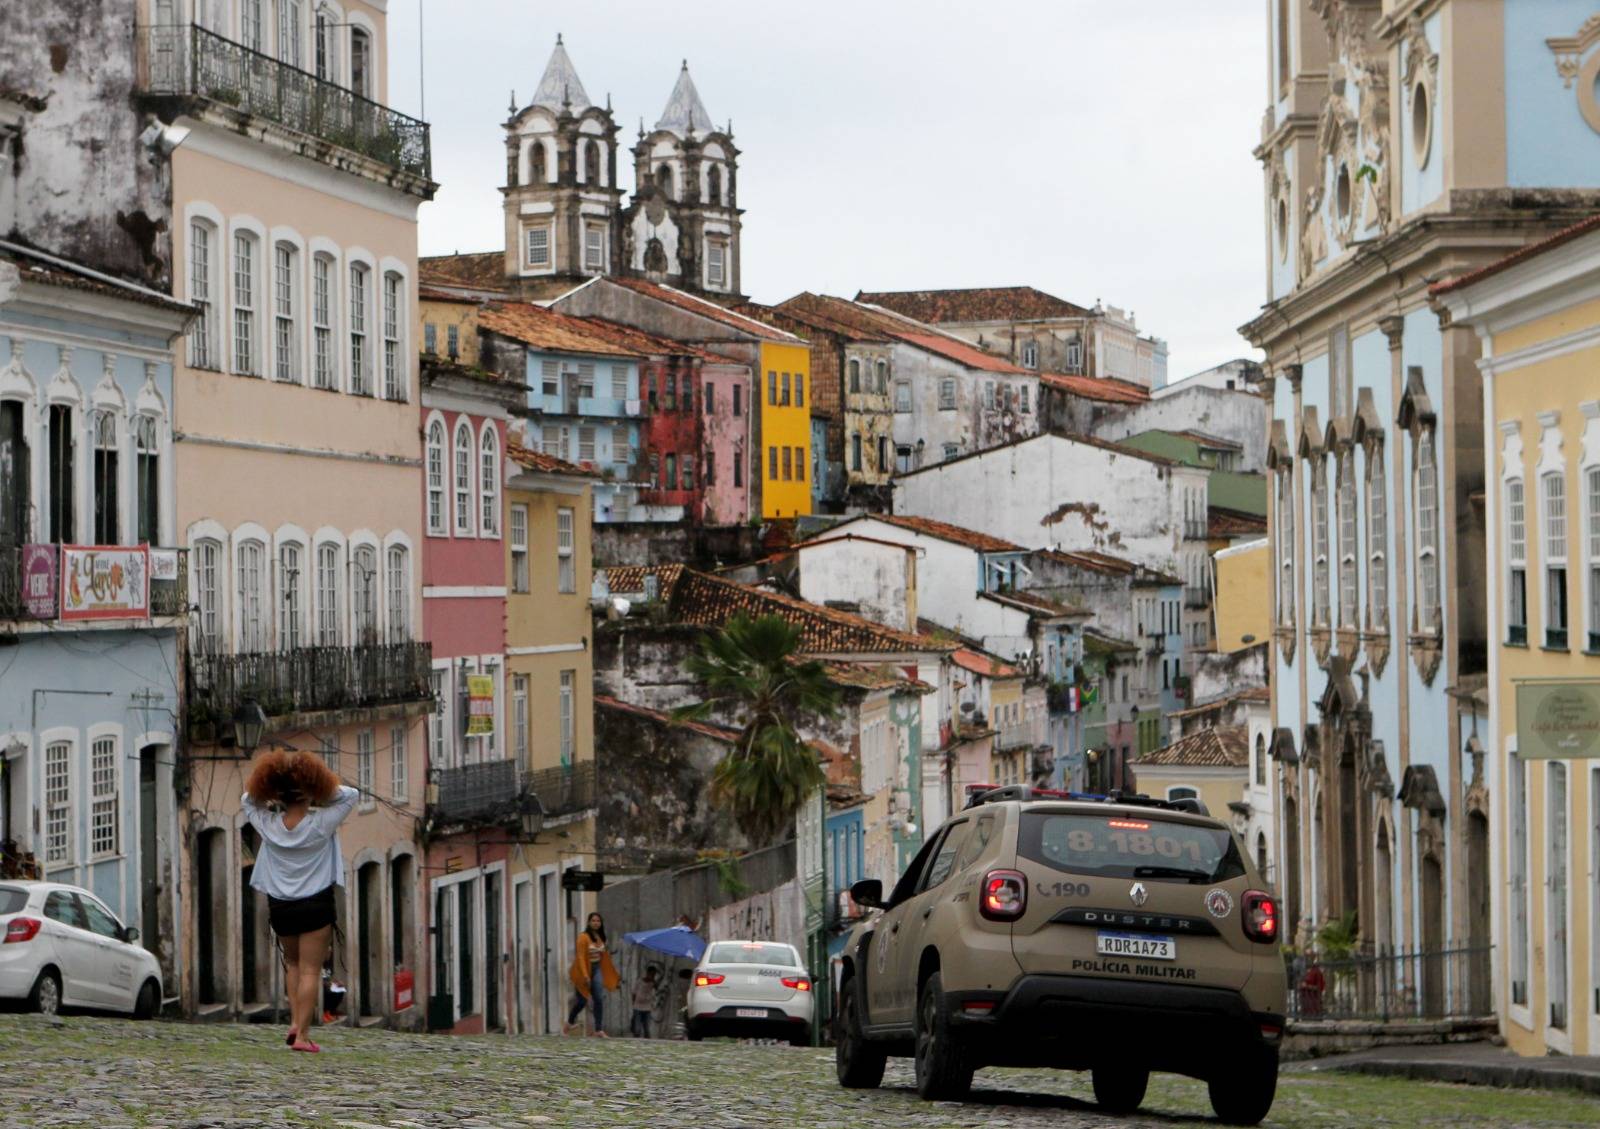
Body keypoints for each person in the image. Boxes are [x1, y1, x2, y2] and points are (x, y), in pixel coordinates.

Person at [241, 749, 358, 1054]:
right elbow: (349, 794)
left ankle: (295, 1021)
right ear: (310, 791)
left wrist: (276, 791)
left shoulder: (268, 825)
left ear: (279, 793)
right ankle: (303, 1035)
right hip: (315, 904)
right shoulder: (320, 824)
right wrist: (316, 790)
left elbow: (247, 800)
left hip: (281, 905)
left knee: (292, 964)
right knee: (311, 970)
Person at [565, 911, 620, 1036]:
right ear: (589, 922)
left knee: (598, 999)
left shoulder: (601, 938)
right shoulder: (583, 937)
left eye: (598, 921)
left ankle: (598, 1029)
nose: (596, 923)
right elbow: (580, 958)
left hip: (596, 969)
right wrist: (585, 975)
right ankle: (569, 1022)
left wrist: (613, 978)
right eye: (593, 921)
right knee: (582, 1002)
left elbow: (605, 959)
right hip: (582, 970)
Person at [630, 965, 659, 1038]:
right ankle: (636, 1042)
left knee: (646, 1028)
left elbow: (656, 988)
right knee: (637, 1029)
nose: (652, 976)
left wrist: (653, 981)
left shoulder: (653, 983)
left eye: (654, 975)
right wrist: (633, 1004)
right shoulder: (639, 981)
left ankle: (647, 1043)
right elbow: (634, 993)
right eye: (651, 974)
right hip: (638, 1007)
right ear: (647, 973)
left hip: (647, 1008)